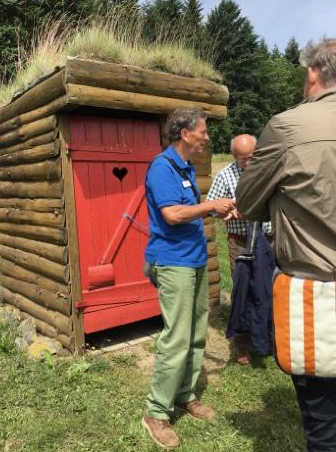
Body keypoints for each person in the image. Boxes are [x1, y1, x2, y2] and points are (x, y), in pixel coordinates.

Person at [235, 38, 336, 451]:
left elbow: (247, 202)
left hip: (317, 297)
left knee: (323, 426)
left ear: (313, 73)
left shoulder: (289, 127)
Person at [142, 108, 236, 449]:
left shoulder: (185, 167)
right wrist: (211, 206)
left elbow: (190, 209)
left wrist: (220, 209)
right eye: (203, 130)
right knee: (177, 338)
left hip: (194, 261)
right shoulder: (162, 167)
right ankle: (155, 412)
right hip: (173, 263)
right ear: (185, 133)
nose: (207, 136)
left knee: (196, 333)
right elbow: (173, 213)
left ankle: (184, 394)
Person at [206, 134, 273, 364]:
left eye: (252, 157)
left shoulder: (267, 170)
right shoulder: (226, 175)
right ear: (234, 156)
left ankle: (267, 337)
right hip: (240, 240)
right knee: (243, 290)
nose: (248, 162)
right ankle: (242, 346)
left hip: (268, 239)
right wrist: (226, 211)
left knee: (268, 289)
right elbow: (212, 207)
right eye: (243, 158)